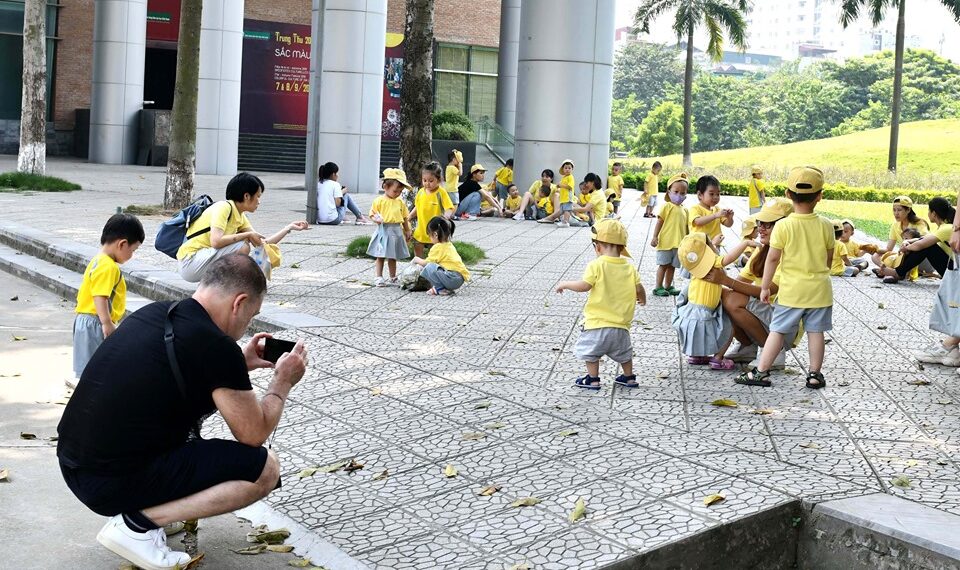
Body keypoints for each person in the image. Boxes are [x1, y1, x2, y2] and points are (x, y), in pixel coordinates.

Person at [57, 255, 309, 570]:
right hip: (109, 482)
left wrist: (240, 362)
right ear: (239, 302)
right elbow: (254, 433)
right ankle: (137, 524)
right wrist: (282, 382)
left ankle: (155, 508)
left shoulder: (158, 312)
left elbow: (179, 374)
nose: (248, 324)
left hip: (77, 466)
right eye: (252, 315)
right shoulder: (215, 346)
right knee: (264, 470)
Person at [736, 166, 833, 389]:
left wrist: (765, 287)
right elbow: (828, 260)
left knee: (777, 330)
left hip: (791, 292)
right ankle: (815, 374)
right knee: (816, 332)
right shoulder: (827, 226)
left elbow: (772, 259)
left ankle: (760, 372)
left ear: (788, 195)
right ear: (820, 196)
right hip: (820, 290)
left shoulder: (784, 226)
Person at [556, 219, 646, 390]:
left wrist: (565, 284)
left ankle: (593, 379)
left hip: (596, 324)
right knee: (625, 354)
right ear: (622, 248)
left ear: (597, 247)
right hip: (621, 326)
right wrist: (642, 299)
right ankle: (629, 378)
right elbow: (639, 288)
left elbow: (585, 286)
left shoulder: (596, 265)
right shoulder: (630, 268)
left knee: (591, 353)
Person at [708, 199, 796, 369]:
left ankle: (774, 352)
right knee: (721, 294)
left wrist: (725, 280)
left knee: (732, 300)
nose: (761, 228)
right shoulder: (761, 249)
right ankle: (746, 346)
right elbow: (738, 284)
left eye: (768, 224)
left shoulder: (791, 254)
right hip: (766, 315)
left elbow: (768, 291)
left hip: (783, 320)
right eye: (760, 223)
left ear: (785, 226)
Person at [177, 172, 309, 283]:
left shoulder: (239, 215)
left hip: (202, 260)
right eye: (258, 196)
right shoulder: (223, 207)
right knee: (243, 246)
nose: (259, 201)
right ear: (246, 196)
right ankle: (231, 284)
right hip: (190, 262)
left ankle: (249, 282)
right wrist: (245, 235)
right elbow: (216, 242)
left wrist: (288, 228)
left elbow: (261, 243)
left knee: (252, 247)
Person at [73, 214, 144, 381]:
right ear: (122, 244)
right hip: (96, 322)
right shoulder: (108, 266)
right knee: (98, 370)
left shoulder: (98, 260)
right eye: (133, 250)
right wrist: (106, 323)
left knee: (91, 369)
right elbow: (100, 296)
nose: (131, 255)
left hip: (86, 320)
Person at [673, 232, 756, 370]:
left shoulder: (694, 269)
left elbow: (704, 255)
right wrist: (745, 243)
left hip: (690, 312)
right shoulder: (714, 265)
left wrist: (712, 245)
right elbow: (728, 258)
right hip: (705, 313)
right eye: (710, 243)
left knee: (698, 333)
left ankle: (697, 356)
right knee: (729, 328)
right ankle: (718, 359)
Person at [874, 197, 956, 284]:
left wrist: (906, 248)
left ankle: (897, 273)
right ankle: (898, 272)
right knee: (924, 244)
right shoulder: (944, 227)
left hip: (955, 274)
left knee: (927, 247)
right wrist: (909, 241)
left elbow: (921, 244)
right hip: (952, 271)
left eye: (929, 211)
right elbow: (925, 238)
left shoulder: (946, 228)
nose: (928, 214)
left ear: (934, 213)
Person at [368, 168, 414, 287]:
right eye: (395, 191)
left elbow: (404, 217)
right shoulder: (379, 201)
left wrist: (407, 230)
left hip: (396, 230)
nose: (397, 193)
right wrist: (376, 220)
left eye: (400, 191)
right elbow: (372, 214)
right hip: (383, 230)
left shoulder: (400, 202)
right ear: (385, 187)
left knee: (393, 256)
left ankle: (393, 276)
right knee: (380, 255)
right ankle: (379, 276)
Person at [650, 172, 690, 297]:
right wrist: (655, 236)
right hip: (666, 243)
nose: (679, 195)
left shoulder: (685, 210)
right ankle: (658, 286)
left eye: (682, 193)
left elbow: (686, 228)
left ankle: (668, 286)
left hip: (678, 244)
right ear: (669, 192)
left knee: (672, 267)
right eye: (676, 192)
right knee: (663, 265)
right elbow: (659, 222)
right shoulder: (667, 206)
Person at [411, 217, 469, 296]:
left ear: (435, 234)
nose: (430, 239)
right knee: (435, 267)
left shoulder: (438, 247)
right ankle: (444, 288)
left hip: (452, 278)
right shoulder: (449, 245)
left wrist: (416, 259)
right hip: (459, 279)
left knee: (429, 267)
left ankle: (440, 289)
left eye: (429, 236)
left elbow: (427, 263)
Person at [871, 195, 930, 272]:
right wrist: (875, 249)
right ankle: (886, 269)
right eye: (894, 210)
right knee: (875, 256)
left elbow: (925, 239)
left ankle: (892, 272)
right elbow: (889, 249)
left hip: (920, 259)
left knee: (904, 255)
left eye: (899, 210)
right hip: (904, 257)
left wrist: (908, 242)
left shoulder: (919, 223)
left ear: (908, 210)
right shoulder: (895, 225)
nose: (896, 213)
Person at [409, 162, 455, 258]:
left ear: (438, 180)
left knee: (435, 253)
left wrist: (446, 217)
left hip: (435, 231)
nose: (427, 183)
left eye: (431, 181)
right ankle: (418, 267)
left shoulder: (441, 192)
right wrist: (409, 217)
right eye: (424, 180)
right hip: (421, 230)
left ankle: (433, 268)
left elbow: (449, 207)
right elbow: (417, 207)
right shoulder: (421, 192)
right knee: (417, 249)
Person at [688, 175, 734, 246]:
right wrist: (715, 215)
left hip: (716, 245)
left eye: (718, 194)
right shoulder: (695, 208)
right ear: (700, 195)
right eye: (711, 194)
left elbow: (728, 224)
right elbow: (698, 222)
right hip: (699, 245)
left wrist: (729, 217)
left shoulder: (717, 209)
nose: (715, 197)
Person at [539, 159, 576, 227]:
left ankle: (566, 222)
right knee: (563, 210)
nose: (567, 169)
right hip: (564, 197)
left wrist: (560, 185)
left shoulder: (570, 177)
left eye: (569, 168)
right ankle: (555, 219)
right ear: (563, 169)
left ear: (572, 169)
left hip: (568, 197)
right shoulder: (564, 177)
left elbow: (570, 186)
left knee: (566, 210)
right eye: (566, 168)